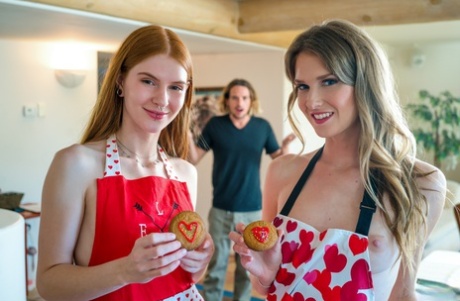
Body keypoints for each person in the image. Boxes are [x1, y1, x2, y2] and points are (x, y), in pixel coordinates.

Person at [229, 19, 447, 301]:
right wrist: (265, 274)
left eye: (329, 81)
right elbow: (263, 289)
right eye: (303, 86)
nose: (312, 101)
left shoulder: (420, 184)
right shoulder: (283, 171)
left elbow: (403, 295)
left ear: (366, 85)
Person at [36, 25, 214, 301]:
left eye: (176, 87)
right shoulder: (76, 164)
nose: (162, 99)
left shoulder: (185, 172)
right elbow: (48, 284)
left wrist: (198, 264)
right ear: (120, 82)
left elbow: (185, 278)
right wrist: (125, 271)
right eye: (148, 81)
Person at [188, 78, 296, 301]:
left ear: (251, 101)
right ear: (227, 100)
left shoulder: (262, 127)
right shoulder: (215, 125)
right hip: (220, 209)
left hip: (251, 209)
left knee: (246, 268)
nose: (240, 102)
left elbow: (279, 161)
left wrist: (285, 149)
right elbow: (193, 158)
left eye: (244, 98)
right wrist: (188, 135)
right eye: (235, 97)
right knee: (217, 266)